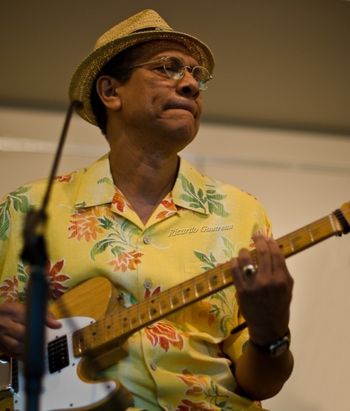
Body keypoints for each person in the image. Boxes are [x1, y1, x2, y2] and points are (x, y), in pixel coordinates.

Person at [0, 9, 293, 411]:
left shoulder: (242, 212)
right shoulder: (28, 208)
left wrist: (272, 331)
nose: (191, 83)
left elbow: (261, 383)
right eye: (169, 67)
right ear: (110, 92)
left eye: (196, 74)